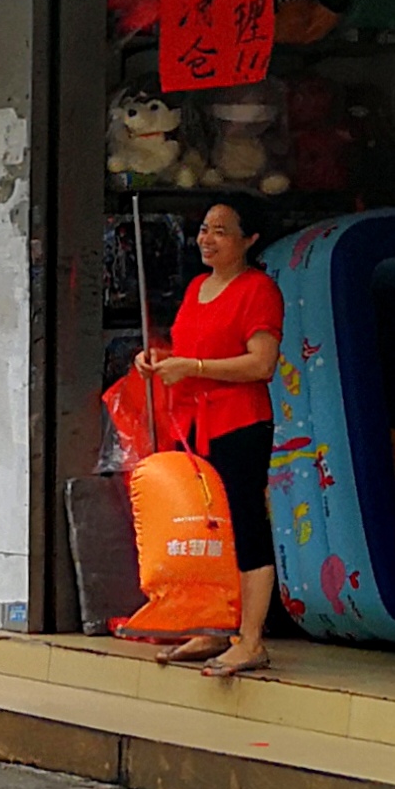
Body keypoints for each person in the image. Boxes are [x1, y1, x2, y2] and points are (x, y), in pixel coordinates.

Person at [145, 195, 286, 679]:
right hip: (193, 425)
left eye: (221, 230)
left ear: (250, 239)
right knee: (204, 529)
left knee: (245, 525)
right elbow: (185, 349)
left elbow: (261, 363)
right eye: (205, 228)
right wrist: (159, 358)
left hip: (239, 423)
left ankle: (250, 640)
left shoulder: (258, 289)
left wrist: (196, 367)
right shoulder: (196, 288)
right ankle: (210, 626)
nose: (207, 238)